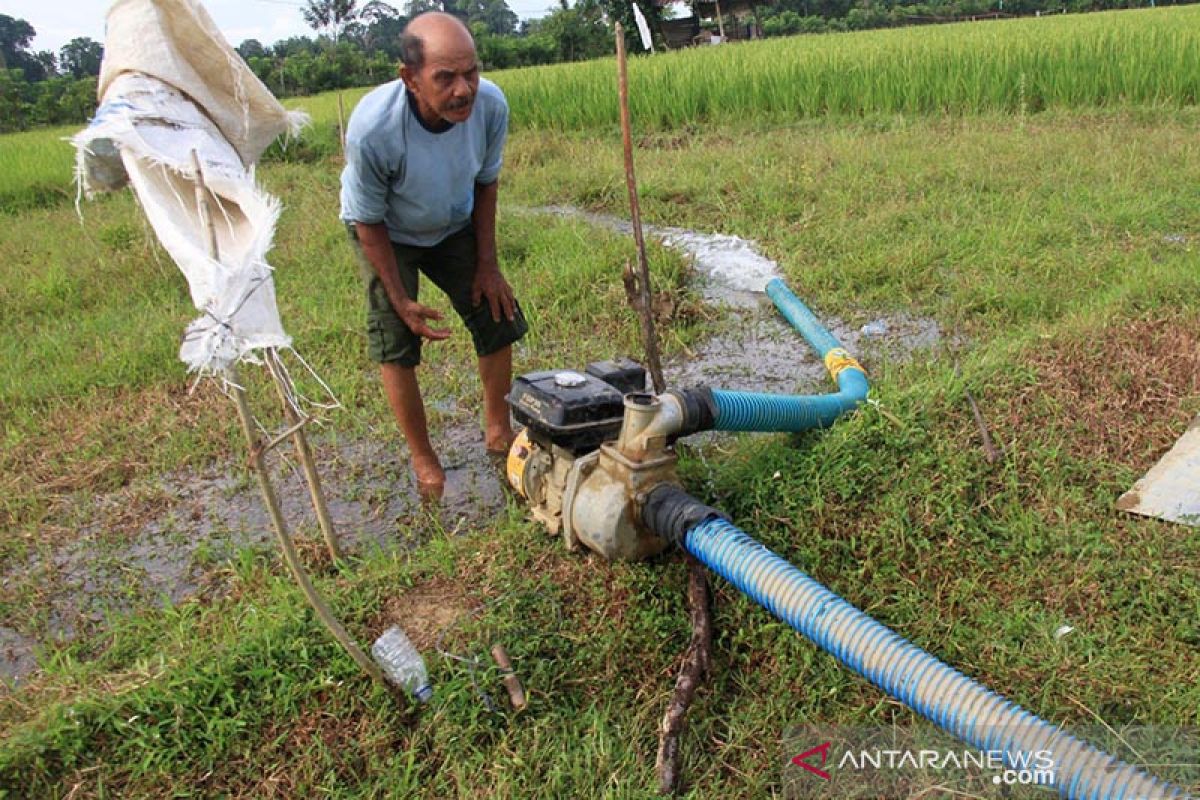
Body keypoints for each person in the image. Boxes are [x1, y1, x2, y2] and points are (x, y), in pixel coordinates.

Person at [340, 12, 527, 502]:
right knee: (396, 336)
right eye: (445, 78)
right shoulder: (373, 129)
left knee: (496, 311)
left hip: (452, 221)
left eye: (471, 72)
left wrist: (488, 264)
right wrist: (400, 299)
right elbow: (367, 220)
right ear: (411, 79)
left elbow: (486, 183)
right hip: (388, 230)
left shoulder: (490, 106)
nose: (463, 90)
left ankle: (496, 429)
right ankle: (424, 458)